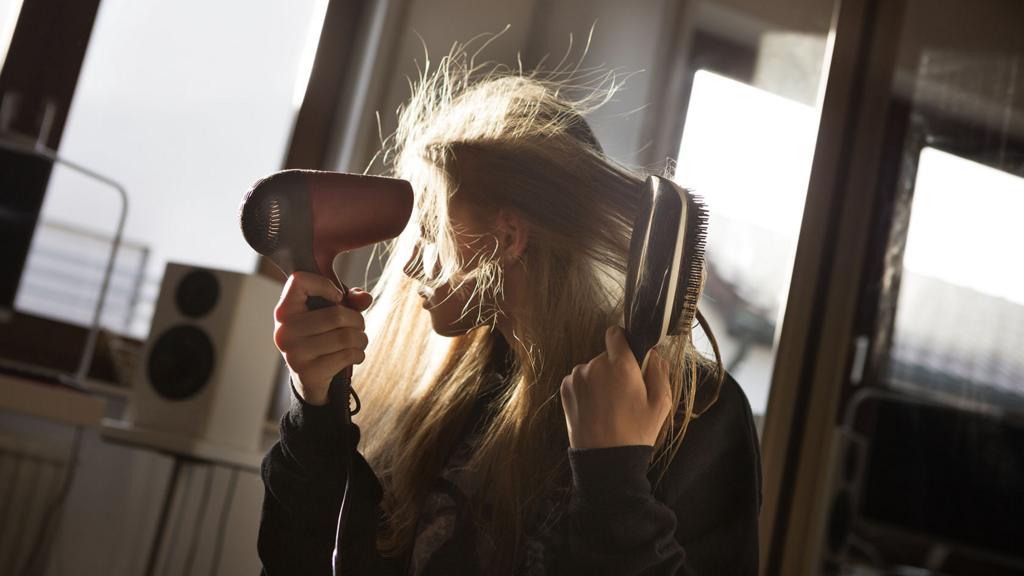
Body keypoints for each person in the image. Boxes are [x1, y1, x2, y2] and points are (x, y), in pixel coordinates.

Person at [257, 46, 762, 576]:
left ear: (508, 235)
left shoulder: (696, 414)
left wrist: (614, 479)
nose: (408, 266)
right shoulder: (443, 403)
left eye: (428, 230)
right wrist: (315, 409)